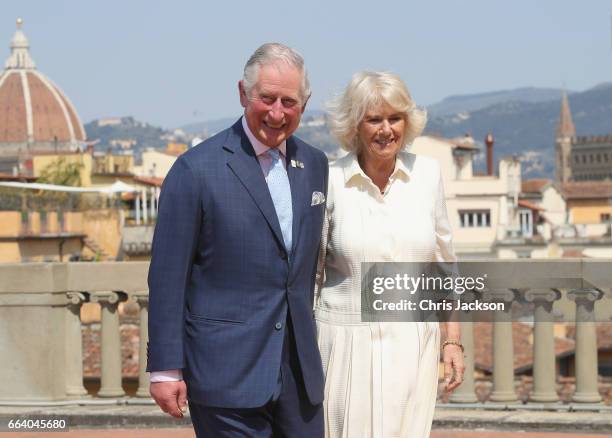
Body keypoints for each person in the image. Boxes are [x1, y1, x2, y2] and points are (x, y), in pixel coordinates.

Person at [146, 43, 328, 437]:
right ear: (243, 94)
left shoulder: (315, 164)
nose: (277, 112)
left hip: (300, 376)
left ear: (305, 103)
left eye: (289, 101)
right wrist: (164, 368)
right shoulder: (195, 170)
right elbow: (167, 278)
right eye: (267, 98)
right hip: (225, 373)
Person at [315, 71, 464, 437]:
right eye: (374, 119)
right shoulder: (329, 179)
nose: (386, 130)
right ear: (355, 124)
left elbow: (444, 266)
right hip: (344, 344)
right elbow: (311, 274)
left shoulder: (427, 175)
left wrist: (453, 340)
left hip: (414, 345)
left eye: (395, 118)